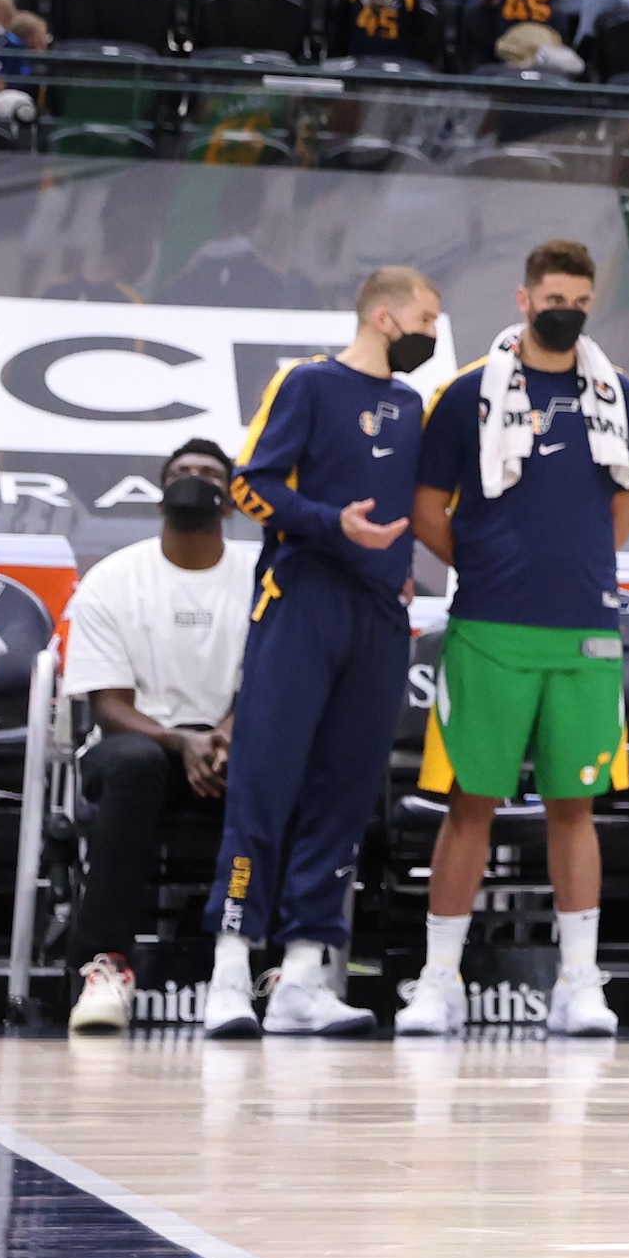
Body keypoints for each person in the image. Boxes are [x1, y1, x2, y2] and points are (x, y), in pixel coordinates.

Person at [397, 242, 629, 1041]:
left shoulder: (617, 393)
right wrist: (489, 561)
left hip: (584, 630)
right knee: (470, 803)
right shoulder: (467, 391)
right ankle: (439, 982)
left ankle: (579, 982)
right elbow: (428, 505)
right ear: (523, 298)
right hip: (488, 626)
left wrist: (572, 571)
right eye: (552, 295)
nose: (565, 307)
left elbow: (622, 507)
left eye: (579, 295)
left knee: (573, 805)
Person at [204, 269, 446, 1038]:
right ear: (384, 315)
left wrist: (398, 564)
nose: (434, 331)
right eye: (426, 317)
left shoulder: (413, 406)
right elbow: (250, 485)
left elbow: (411, 504)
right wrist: (328, 522)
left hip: (378, 614)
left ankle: (304, 974)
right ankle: (230, 972)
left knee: (346, 792)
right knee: (265, 781)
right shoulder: (305, 383)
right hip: (302, 595)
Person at [56, 440, 253, 1033]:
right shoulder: (114, 579)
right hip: (139, 747)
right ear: (161, 496)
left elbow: (272, 687)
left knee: (271, 767)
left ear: (231, 500)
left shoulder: (262, 575)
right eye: (181, 473)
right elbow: (110, 707)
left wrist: (222, 735)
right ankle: (105, 966)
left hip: (227, 745)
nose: (194, 480)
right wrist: (181, 741)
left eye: (209, 474)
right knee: (137, 762)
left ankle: (253, 965)